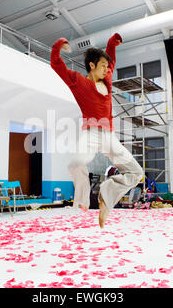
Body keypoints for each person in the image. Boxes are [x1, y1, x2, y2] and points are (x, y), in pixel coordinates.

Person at [50, 33, 143, 228]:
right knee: (75, 165)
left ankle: (108, 190)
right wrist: (59, 45)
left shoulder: (107, 79)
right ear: (91, 66)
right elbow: (57, 65)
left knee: (136, 172)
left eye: (107, 67)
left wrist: (112, 43)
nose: (107, 69)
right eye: (102, 66)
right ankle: (83, 202)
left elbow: (111, 58)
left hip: (109, 136)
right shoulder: (78, 81)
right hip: (90, 134)